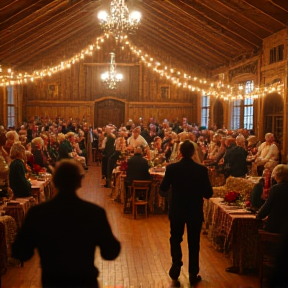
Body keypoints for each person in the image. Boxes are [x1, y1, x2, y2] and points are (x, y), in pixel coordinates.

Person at [12, 159, 121, 288]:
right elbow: (110, 252)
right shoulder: (94, 213)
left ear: (54, 181)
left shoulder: (37, 213)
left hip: (52, 282)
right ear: (79, 181)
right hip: (85, 282)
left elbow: (21, 252)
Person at [159, 140, 213, 287]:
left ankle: (176, 265)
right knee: (194, 242)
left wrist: (171, 191)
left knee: (175, 238)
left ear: (180, 153)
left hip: (177, 210)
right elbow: (209, 193)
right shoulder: (201, 170)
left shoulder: (172, 169)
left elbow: (163, 189)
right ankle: (193, 273)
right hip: (194, 211)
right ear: (194, 153)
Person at [256, 164, 288, 233]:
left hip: (276, 227)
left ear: (277, 175)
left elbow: (267, 207)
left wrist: (258, 216)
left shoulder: (276, 188)